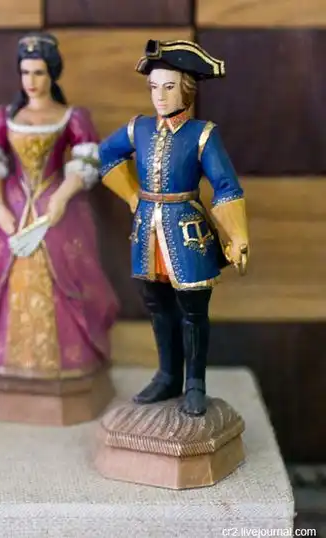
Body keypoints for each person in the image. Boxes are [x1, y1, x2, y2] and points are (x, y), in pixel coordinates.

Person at [98, 39, 249, 416]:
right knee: (156, 305)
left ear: (187, 89)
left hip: (187, 233)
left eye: (168, 87)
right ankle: (168, 375)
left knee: (193, 310)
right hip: (146, 233)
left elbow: (226, 185)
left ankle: (195, 383)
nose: (160, 96)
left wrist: (238, 236)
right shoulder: (138, 128)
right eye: (154, 87)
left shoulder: (202, 134)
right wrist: (131, 195)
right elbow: (105, 155)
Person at [0, 32, 119, 385]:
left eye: (38, 72)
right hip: (14, 208)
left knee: (67, 279)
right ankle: (15, 363)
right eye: (25, 72)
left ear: (52, 74)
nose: (31, 81)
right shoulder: (5, 116)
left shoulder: (71, 116)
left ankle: (69, 363)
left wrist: (62, 196)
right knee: (13, 278)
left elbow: (87, 160)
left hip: (57, 209)